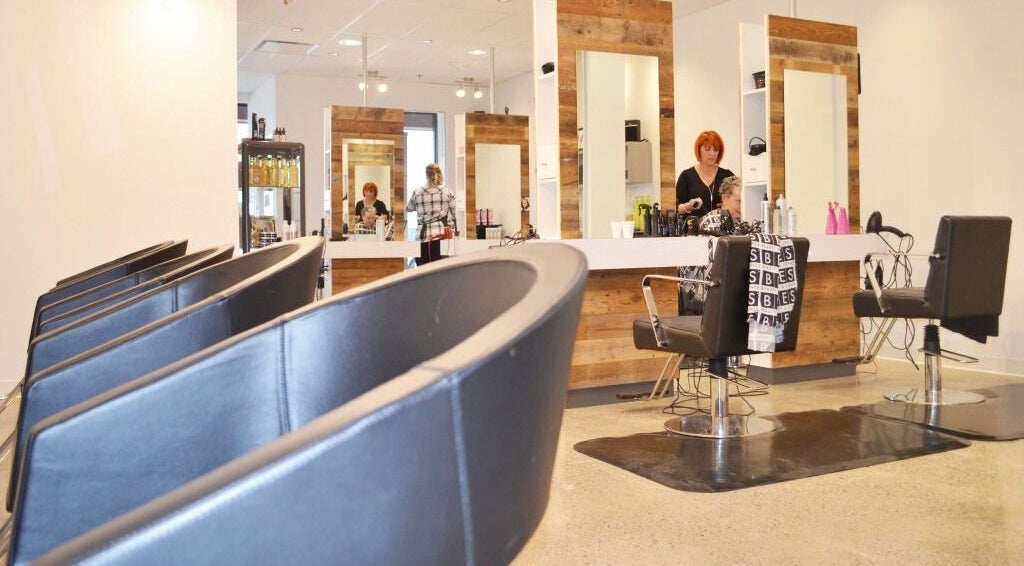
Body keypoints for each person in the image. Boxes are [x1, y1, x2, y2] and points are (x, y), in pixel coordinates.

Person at [675, 130, 735, 218]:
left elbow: (740, 202)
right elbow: (676, 208)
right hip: (693, 230)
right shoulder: (686, 176)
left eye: (716, 150)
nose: (712, 154)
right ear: (699, 150)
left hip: (723, 230)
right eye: (707, 149)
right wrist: (689, 206)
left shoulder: (727, 175)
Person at [407, 163, 456, 264]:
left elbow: (409, 208)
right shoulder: (447, 192)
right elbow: (454, 213)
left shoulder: (417, 192)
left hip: (421, 238)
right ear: (440, 175)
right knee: (440, 275)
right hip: (441, 237)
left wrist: (423, 208)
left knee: (423, 274)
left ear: (426, 176)